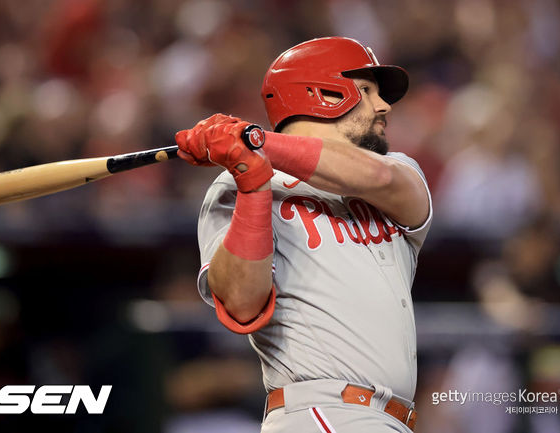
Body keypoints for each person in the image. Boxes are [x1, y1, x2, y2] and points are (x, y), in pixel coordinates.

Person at [175, 36, 432, 433]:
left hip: (392, 419)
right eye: (367, 91)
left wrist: (256, 143)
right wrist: (253, 181)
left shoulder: (396, 170)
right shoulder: (233, 186)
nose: (384, 106)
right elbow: (243, 304)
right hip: (320, 412)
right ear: (323, 94)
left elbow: (376, 176)